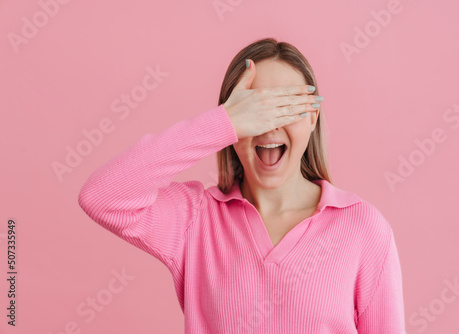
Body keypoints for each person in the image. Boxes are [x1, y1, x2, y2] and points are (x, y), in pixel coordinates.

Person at [78, 37, 405, 333]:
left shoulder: (363, 228)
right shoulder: (196, 220)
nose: (270, 124)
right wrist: (222, 123)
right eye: (256, 109)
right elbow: (102, 196)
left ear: (312, 118)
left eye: (286, 106)